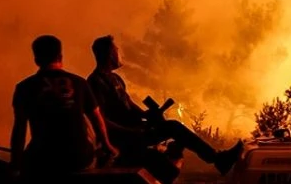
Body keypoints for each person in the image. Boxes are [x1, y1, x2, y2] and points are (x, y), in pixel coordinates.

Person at [87, 34, 243, 175]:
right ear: (109, 54)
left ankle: (214, 159)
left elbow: (128, 103)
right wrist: (130, 131)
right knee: (174, 127)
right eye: (116, 50)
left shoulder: (115, 79)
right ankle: (218, 159)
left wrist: (146, 114)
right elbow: (101, 119)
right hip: (124, 138)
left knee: (173, 130)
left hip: (136, 129)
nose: (119, 53)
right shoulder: (95, 82)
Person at [11, 35, 118, 176]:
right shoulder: (80, 83)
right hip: (80, 158)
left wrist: (15, 164)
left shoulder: (24, 87)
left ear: (36, 60)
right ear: (60, 57)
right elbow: (97, 118)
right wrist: (107, 145)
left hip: (44, 159)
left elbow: (20, 130)